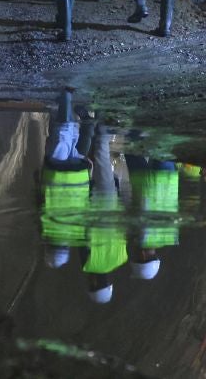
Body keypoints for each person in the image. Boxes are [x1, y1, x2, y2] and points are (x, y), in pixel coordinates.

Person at [39, 88, 93, 270]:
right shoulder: (46, 230)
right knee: (62, 136)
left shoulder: (79, 232)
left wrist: (89, 178)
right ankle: (65, 96)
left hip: (78, 175)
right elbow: (39, 203)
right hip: (57, 174)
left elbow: (89, 208)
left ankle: (63, 104)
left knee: (70, 137)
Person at [82, 121, 126, 304]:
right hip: (91, 203)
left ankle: (100, 122)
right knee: (86, 160)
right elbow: (81, 234)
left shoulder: (121, 257)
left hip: (110, 201)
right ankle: (94, 120)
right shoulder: (88, 264)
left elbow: (123, 228)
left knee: (102, 155)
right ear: (93, 283)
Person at [126, 154, 180, 282]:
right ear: (143, 256)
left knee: (164, 140)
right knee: (132, 144)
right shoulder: (137, 236)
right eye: (133, 256)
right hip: (143, 182)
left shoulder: (172, 237)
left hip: (167, 177)